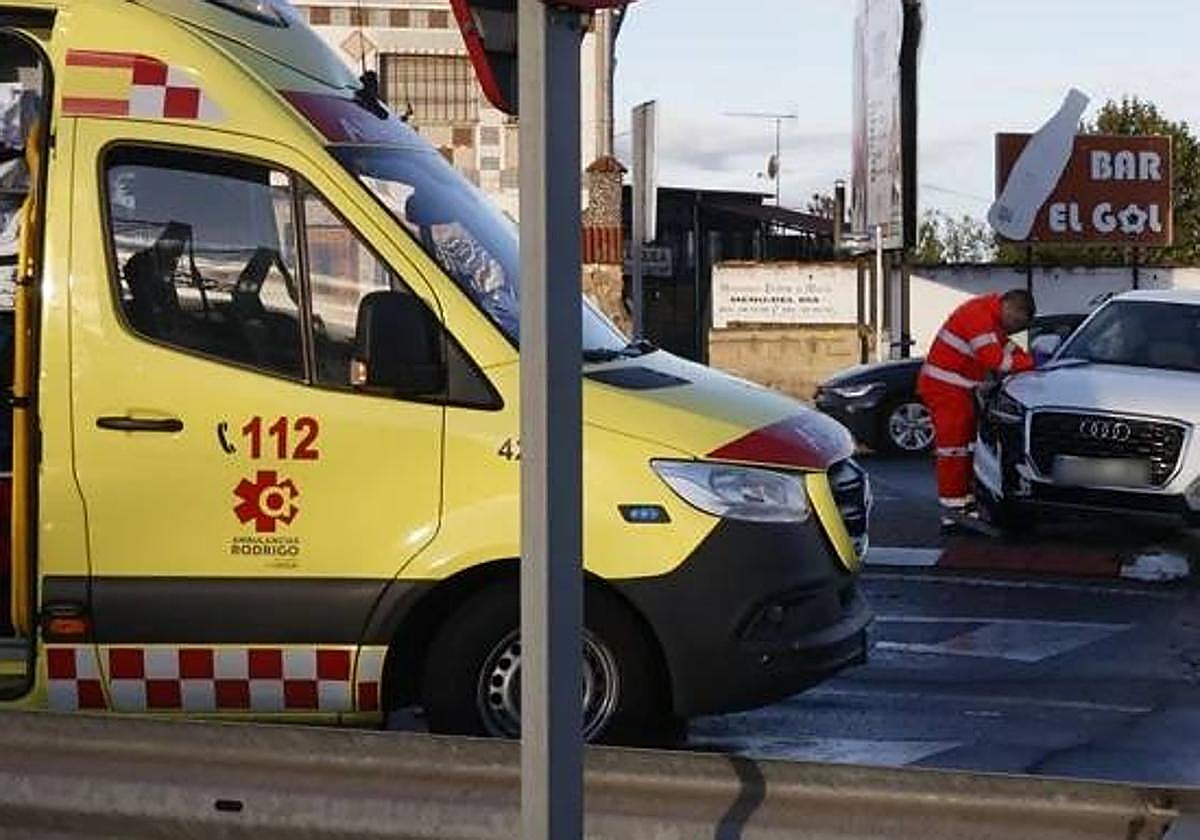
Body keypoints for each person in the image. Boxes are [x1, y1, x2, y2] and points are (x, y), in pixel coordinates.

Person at [917, 289, 1037, 534]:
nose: (1014, 330)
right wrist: (1033, 363)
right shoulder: (980, 318)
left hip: (957, 389)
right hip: (946, 389)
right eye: (1015, 323)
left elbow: (1007, 349)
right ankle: (952, 514)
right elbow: (997, 361)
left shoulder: (990, 317)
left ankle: (963, 505)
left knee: (965, 449)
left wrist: (1025, 356)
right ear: (1010, 309)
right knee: (953, 451)